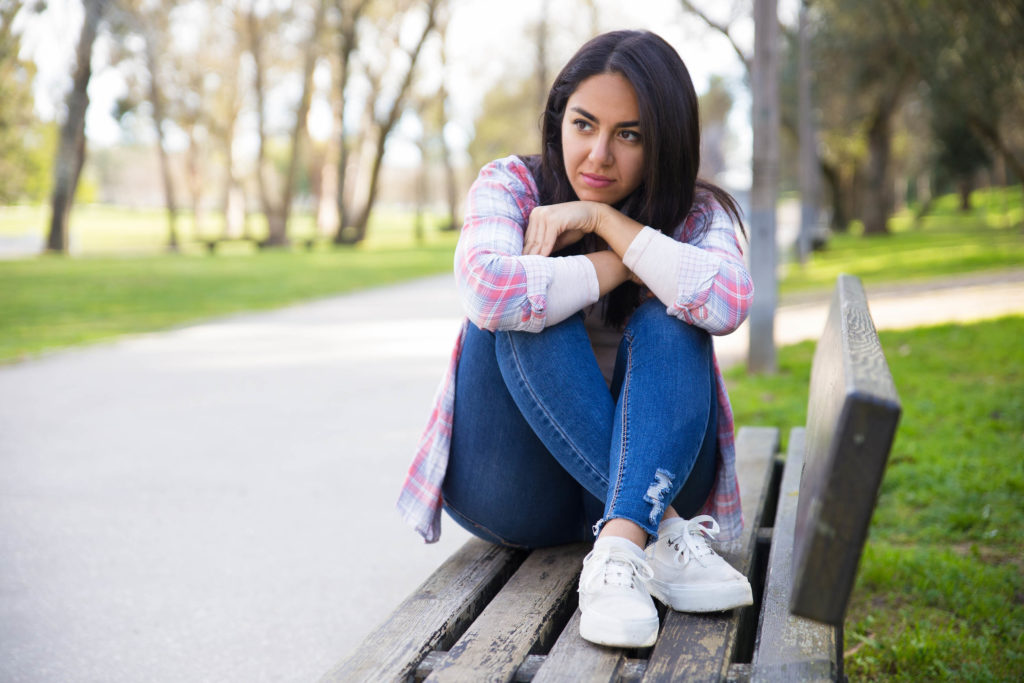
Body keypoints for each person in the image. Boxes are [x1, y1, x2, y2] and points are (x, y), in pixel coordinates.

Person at [397, 29, 755, 648]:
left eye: (629, 135)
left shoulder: (699, 216)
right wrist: (619, 266)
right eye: (584, 125)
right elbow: (490, 289)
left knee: (675, 317)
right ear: (559, 119)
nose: (597, 156)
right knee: (524, 307)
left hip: (658, 469)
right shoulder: (512, 186)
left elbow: (727, 302)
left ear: (663, 141)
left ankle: (620, 545)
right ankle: (656, 531)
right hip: (517, 489)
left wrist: (601, 222)